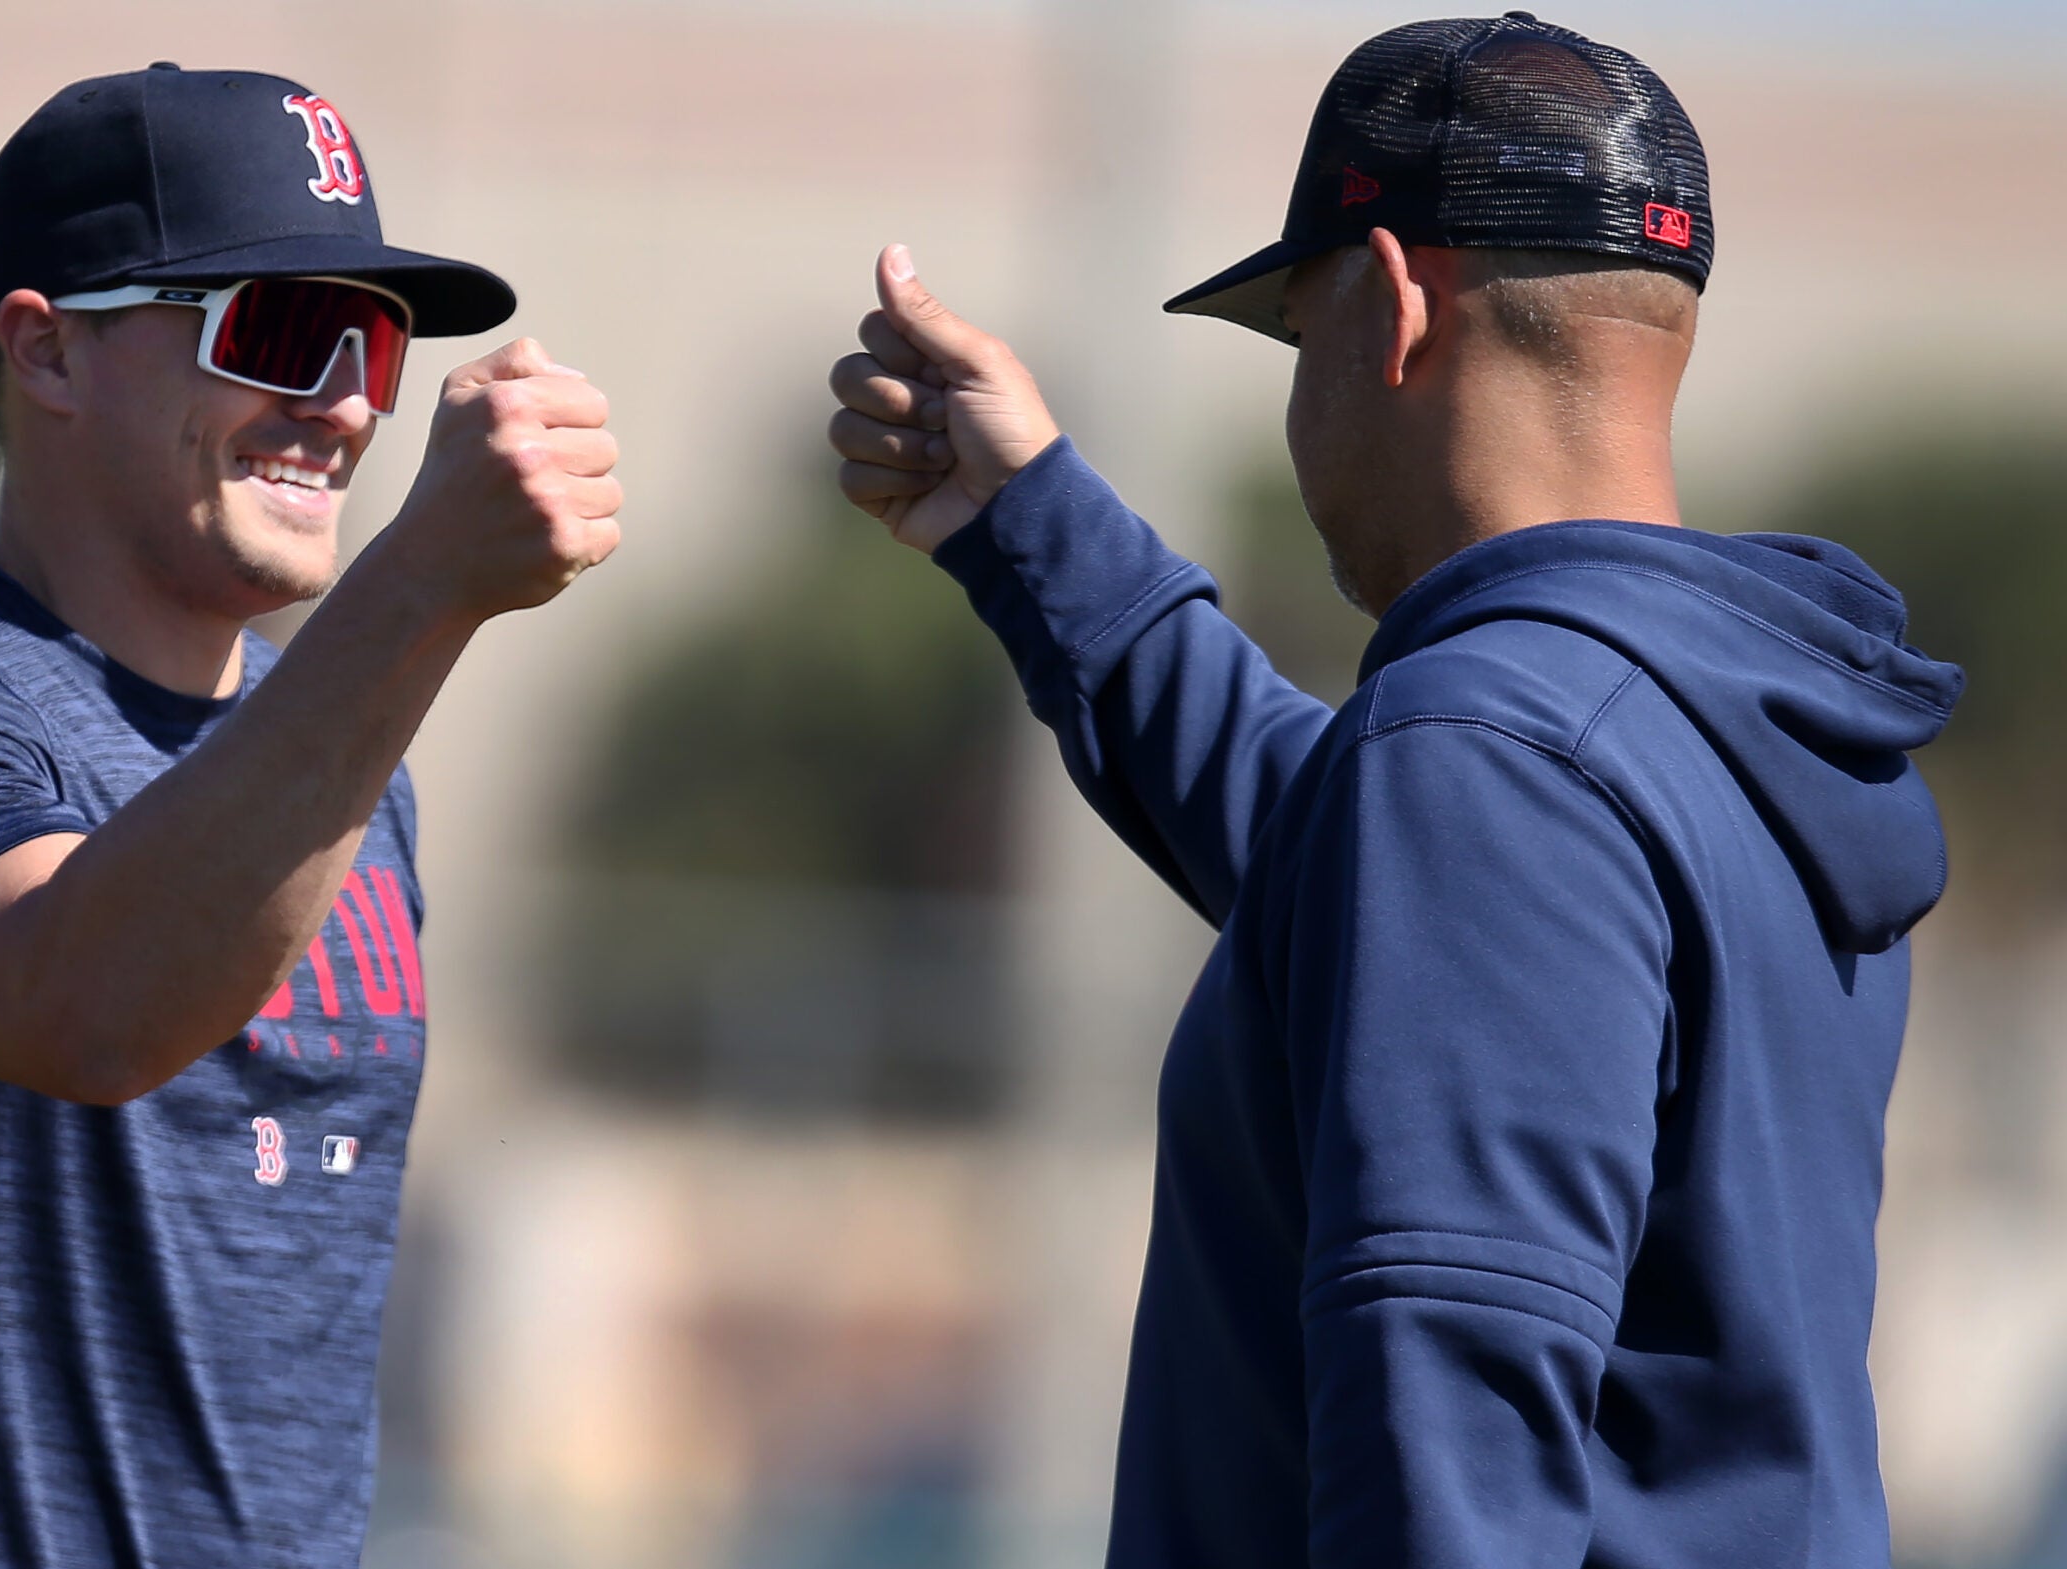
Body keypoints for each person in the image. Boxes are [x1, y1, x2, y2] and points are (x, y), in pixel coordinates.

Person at [828, 14, 1959, 1567]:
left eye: (1300, 336)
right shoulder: (1711, 730)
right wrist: (1027, 523)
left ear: (1390, 307)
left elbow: (1453, 1458)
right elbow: (1333, 854)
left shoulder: (1488, 756)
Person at [0, 64, 619, 1566]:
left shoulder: (352, 773)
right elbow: (95, 1008)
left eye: (372, 340)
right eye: (273, 329)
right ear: (49, 353)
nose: (340, 400)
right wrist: (423, 590)